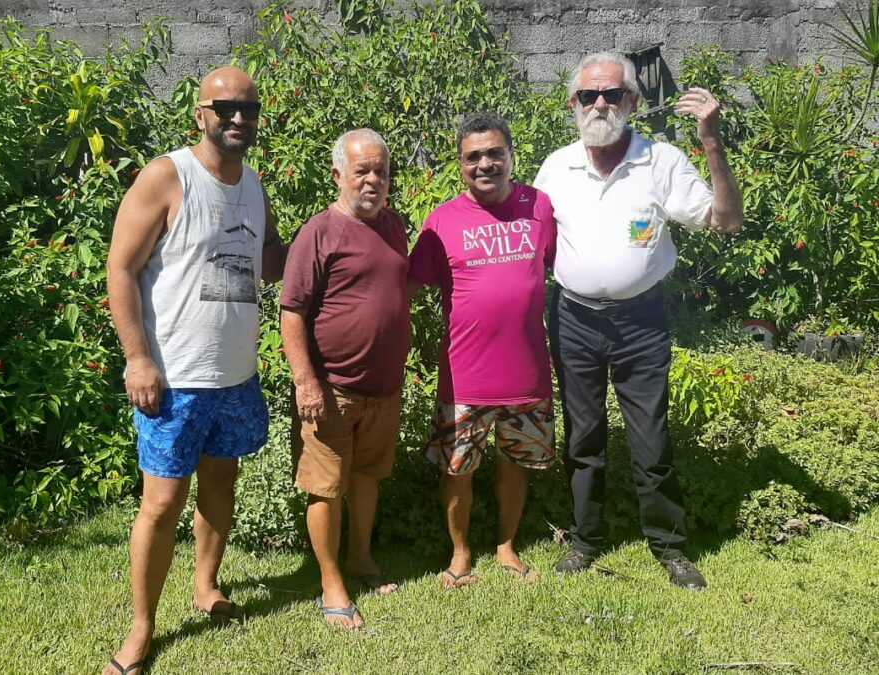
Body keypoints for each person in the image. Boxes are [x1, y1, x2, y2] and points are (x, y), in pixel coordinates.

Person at [533, 51, 743, 590]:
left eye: (611, 94)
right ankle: (585, 540)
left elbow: (726, 221)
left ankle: (669, 547)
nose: (599, 104)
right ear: (572, 104)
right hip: (573, 319)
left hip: (641, 323)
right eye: (587, 95)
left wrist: (712, 142)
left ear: (632, 101)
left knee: (651, 441)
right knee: (583, 438)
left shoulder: (663, 161)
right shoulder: (556, 167)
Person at [103, 66, 285, 675]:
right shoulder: (167, 176)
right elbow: (121, 269)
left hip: (234, 373)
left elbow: (271, 262)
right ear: (200, 113)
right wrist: (137, 359)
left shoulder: (255, 185)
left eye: (249, 109)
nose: (238, 118)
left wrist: (335, 233)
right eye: (225, 107)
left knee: (221, 484)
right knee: (161, 504)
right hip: (173, 376)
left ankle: (206, 587)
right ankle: (142, 627)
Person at [409, 112, 558, 589]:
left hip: (527, 372)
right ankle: (460, 552)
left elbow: (564, 266)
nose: (485, 164)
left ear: (512, 156)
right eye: (473, 157)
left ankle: (507, 545)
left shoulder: (540, 207)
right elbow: (408, 287)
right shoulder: (441, 221)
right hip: (464, 375)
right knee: (458, 469)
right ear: (460, 165)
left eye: (495, 153)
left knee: (517, 465)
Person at [280, 129, 410, 630]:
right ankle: (331, 581)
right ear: (338, 175)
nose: (374, 180)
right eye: (362, 171)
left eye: (381, 170)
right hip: (331, 388)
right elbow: (292, 312)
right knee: (326, 487)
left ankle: (360, 559)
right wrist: (305, 382)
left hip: (382, 388)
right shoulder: (319, 232)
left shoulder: (394, 226)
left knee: (367, 477)